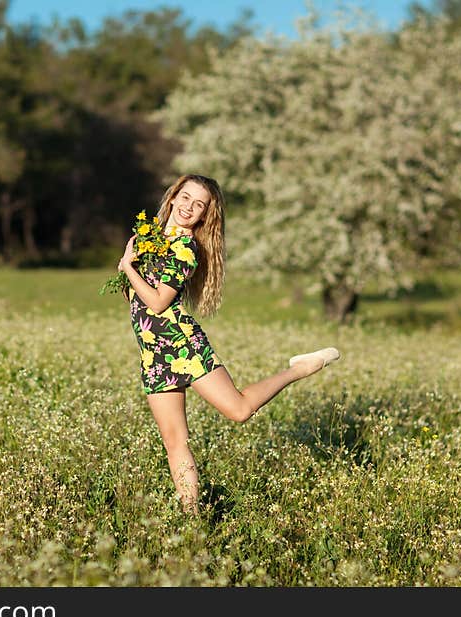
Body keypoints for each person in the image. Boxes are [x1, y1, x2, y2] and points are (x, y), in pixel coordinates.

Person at [118, 173, 340, 513]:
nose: (189, 208)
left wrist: (127, 267)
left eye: (199, 205)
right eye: (186, 198)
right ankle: (190, 519)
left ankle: (299, 369)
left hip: (182, 346)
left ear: (205, 215)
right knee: (175, 443)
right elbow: (134, 300)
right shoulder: (150, 240)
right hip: (153, 353)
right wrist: (131, 271)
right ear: (174, 197)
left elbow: (159, 302)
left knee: (238, 411)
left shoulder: (185, 248)